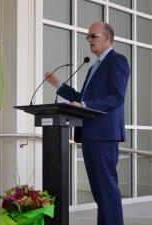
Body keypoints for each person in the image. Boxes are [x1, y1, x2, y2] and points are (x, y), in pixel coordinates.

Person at [45, 22, 130, 225]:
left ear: (107, 37)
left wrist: (84, 104)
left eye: (93, 36)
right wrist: (57, 84)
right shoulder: (94, 66)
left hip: (104, 134)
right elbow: (81, 97)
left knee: (107, 189)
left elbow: (117, 97)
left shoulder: (117, 60)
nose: (89, 40)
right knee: (99, 191)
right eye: (88, 37)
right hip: (91, 133)